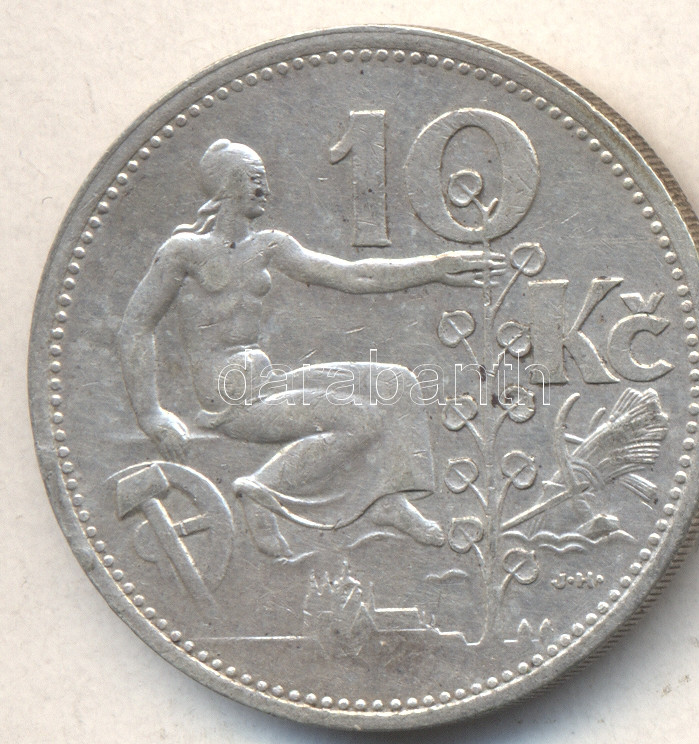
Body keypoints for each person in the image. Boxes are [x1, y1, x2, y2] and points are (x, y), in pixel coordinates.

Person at [118, 138, 509, 559]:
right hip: (226, 397)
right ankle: (261, 490)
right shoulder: (183, 252)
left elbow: (353, 275)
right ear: (228, 184)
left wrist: (433, 268)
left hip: (264, 381)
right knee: (359, 419)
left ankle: (385, 501)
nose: (264, 189)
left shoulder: (270, 244)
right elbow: (135, 326)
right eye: (254, 179)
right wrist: (151, 415)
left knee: (397, 382)